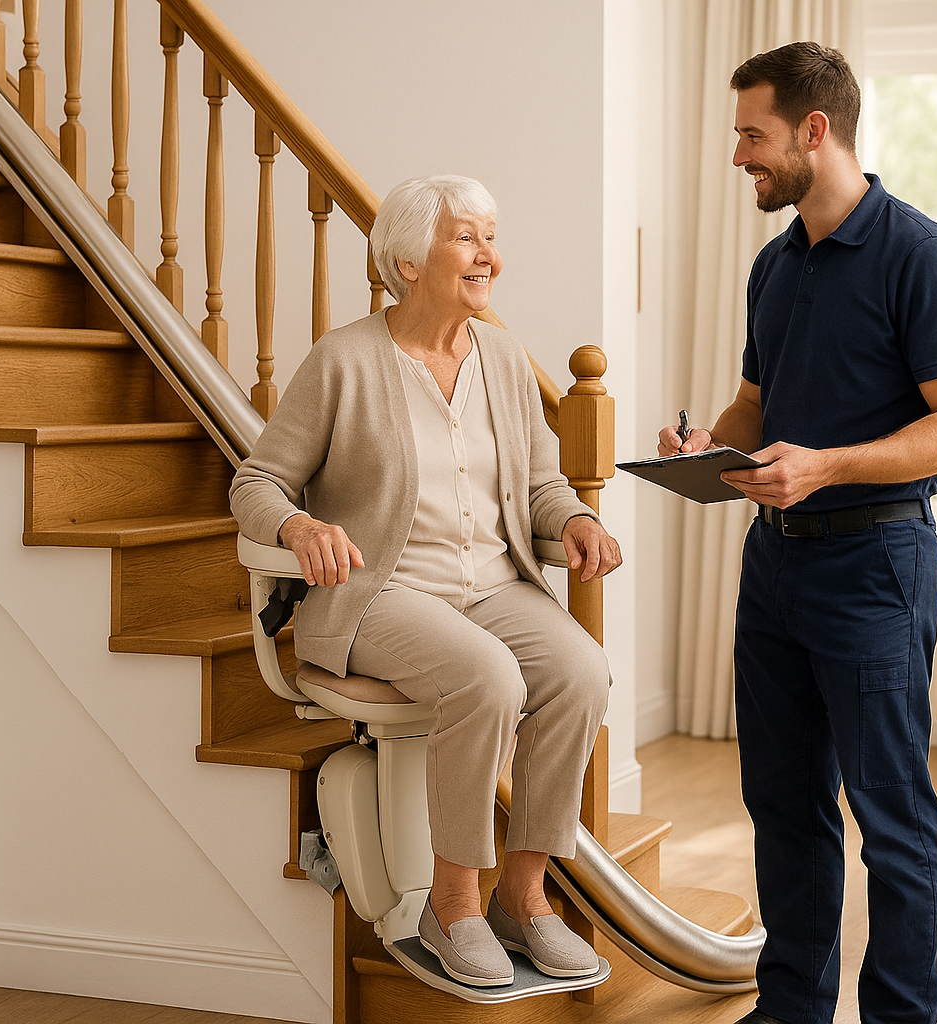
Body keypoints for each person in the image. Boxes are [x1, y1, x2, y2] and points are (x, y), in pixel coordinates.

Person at [656, 43, 937, 1024]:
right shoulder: (775, 265)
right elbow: (759, 405)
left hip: (876, 562)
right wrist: (703, 445)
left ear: (816, 130)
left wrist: (826, 464)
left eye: (752, 136)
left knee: (891, 816)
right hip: (775, 566)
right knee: (784, 803)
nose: (738, 158)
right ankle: (791, 1008)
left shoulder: (921, 255)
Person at [231, 175, 622, 989]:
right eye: (468, 239)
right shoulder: (345, 358)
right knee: (486, 676)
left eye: (491, 238)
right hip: (382, 592)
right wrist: (300, 527)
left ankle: (524, 897)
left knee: (582, 670)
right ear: (408, 260)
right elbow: (256, 483)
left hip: (494, 586)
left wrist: (575, 522)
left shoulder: (506, 358)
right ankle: (456, 905)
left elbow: (540, 487)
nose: (490, 257)